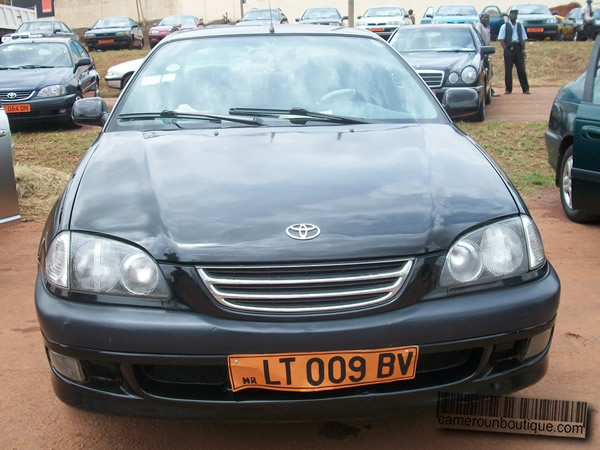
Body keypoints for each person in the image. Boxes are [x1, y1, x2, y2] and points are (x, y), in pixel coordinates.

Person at [498, 9, 530, 95]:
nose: (514, 16)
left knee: (521, 69)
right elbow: (501, 39)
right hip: (509, 48)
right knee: (508, 70)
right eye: (512, 14)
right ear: (509, 16)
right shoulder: (504, 26)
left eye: (515, 15)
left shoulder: (520, 26)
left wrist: (523, 50)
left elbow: (523, 39)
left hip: (518, 48)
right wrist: (505, 49)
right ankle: (508, 89)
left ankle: (525, 88)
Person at [476, 13, 499, 97]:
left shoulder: (488, 27)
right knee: (484, 71)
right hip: (482, 52)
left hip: (487, 52)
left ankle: (489, 89)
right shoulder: (479, 26)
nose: (486, 19)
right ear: (480, 18)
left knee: (489, 71)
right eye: (484, 17)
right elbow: (478, 38)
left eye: (488, 18)